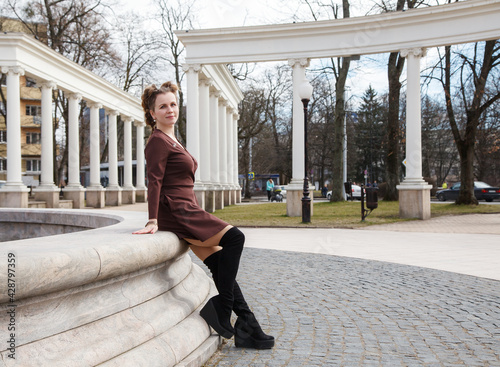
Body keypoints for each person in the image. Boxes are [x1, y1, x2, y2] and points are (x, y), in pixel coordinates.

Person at [133, 82, 274, 349]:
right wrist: (153, 219)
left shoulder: (172, 138)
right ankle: (223, 308)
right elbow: (154, 182)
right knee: (235, 238)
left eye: (173, 104)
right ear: (152, 113)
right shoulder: (157, 141)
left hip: (188, 208)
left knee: (221, 264)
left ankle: (249, 327)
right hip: (178, 211)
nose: (170, 109)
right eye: (162, 106)